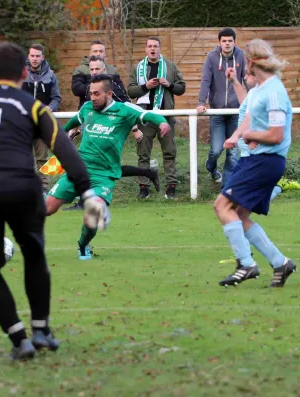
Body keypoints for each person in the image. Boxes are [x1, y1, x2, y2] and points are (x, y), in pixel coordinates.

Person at [0, 42, 109, 360]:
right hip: (23, 189)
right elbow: (64, 148)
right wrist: (87, 193)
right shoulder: (34, 107)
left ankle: (20, 339)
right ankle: (42, 330)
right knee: (34, 256)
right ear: (22, 73)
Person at [46, 74, 170, 260]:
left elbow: (148, 114)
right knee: (47, 208)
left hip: (103, 176)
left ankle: (83, 245)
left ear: (109, 93)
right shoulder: (87, 108)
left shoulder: (124, 110)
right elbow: (70, 125)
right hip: (78, 170)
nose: (93, 98)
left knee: (92, 216)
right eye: (91, 94)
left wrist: (162, 122)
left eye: (97, 94)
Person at [214, 38, 297, 288]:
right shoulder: (261, 89)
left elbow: (276, 135)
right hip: (255, 160)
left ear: (250, 62)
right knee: (239, 215)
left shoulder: (274, 93)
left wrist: (248, 136)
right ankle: (280, 262)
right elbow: (250, 117)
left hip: (265, 161)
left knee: (222, 206)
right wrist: (239, 136)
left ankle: (246, 264)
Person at [128, 36, 186, 200]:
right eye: (149, 46)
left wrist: (170, 85)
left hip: (165, 117)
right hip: (145, 118)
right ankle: (144, 187)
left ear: (160, 49)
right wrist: (145, 87)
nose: (152, 49)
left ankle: (171, 186)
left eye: (155, 46)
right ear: (146, 49)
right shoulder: (137, 67)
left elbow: (182, 88)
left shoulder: (170, 66)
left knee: (169, 153)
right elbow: (130, 92)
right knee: (143, 154)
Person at [197, 28, 246, 186]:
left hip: (235, 111)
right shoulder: (211, 57)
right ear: (219, 43)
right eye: (224, 41)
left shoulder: (241, 56)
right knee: (216, 150)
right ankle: (211, 167)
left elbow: (246, 79)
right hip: (217, 110)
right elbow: (205, 81)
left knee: (232, 152)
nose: (227, 43)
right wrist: (201, 103)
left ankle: (227, 186)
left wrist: (252, 102)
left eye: (230, 41)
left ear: (234, 42)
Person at [21, 43, 62, 194]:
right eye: (32, 55)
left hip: (41, 124)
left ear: (42, 57)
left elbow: (56, 98)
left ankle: (43, 191)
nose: (35, 58)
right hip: (23, 123)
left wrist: (51, 107)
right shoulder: (21, 74)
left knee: (42, 159)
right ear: (28, 56)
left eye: (38, 56)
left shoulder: (50, 75)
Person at [71, 40, 123, 109]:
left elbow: (122, 92)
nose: (98, 54)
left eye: (101, 51)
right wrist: (98, 87)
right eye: (95, 51)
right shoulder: (80, 70)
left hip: (111, 109)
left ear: (105, 54)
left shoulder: (113, 70)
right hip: (87, 109)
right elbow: (76, 90)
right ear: (90, 53)